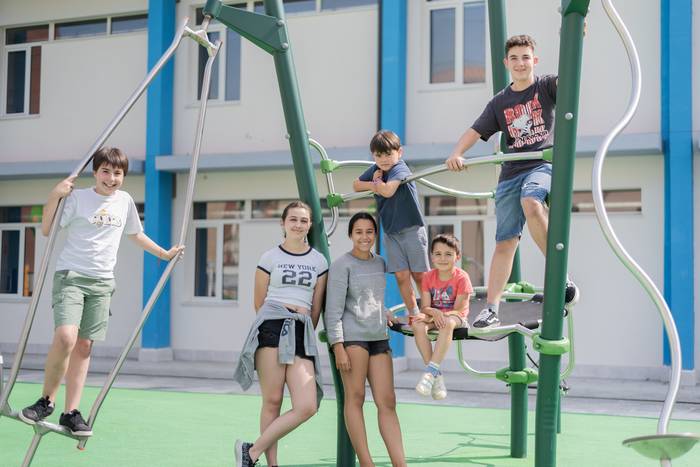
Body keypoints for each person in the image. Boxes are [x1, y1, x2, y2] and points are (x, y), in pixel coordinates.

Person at [19, 147, 184, 436]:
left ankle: (70, 413)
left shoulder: (124, 201)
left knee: (84, 346)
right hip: (71, 276)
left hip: (102, 282)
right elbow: (47, 229)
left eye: (117, 173)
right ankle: (46, 401)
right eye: (105, 171)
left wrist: (164, 254)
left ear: (123, 176)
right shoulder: (78, 198)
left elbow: (135, 234)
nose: (111, 178)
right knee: (66, 337)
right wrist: (54, 196)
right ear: (95, 173)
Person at [446, 34, 578, 329]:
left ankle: (560, 277)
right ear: (506, 63)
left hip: (541, 165)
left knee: (531, 202)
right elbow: (475, 130)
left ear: (535, 60)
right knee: (505, 242)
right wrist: (457, 153)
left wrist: (576, 40)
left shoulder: (546, 86)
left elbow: (571, 78)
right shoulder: (500, 102)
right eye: (514, 58)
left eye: (525, 57)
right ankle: (491, 308)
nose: (520, 63)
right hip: (511, 172)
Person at [233, 201, 328, 467]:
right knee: (273, 400)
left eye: (303, 220)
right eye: (293, 219)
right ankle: (270, 464)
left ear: (310, 225)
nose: (298, 225)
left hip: (301, 331)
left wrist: (303, 327)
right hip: (272, 327)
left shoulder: (318, 261)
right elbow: (259, 302)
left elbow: (316, 307)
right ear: (283, 223)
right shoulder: (270, 257)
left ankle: (251, 451)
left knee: (307, 405)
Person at [325, 212, 407, 467]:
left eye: (369, 231)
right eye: (358, 232)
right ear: (351, 235)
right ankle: (366, 463)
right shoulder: (341, 265)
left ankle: (400, 464)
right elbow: (333, 311)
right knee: (356, 398)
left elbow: (370, 299)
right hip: (353, 340)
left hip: (379, 337)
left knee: (388, 401)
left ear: (375, 234)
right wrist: (338, 347)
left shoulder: (380, 262)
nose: (364, 236)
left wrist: (385, 311)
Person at [353, 129, 429, 321]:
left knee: (420, 275)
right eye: (378, 155)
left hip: (412, 229)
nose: (384, 159)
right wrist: (373, 184)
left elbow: (387, 191)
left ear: (399, 152)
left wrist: (377, 182)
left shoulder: (399, 168)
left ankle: (430, 311)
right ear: (373, 156)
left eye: (388, 154)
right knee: (401, 276)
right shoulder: (376, 169)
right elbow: (356, 184)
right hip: (391, 233)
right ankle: (414, 313)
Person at [412, 234, 472, 399]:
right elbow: (425, 307)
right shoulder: (428, 277)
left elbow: (459, 309)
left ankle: (430, 373)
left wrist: (438, 315)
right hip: (435, 316)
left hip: (456, 317)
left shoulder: (462, 278)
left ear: (457, 256)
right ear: (432, 257)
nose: (442, 258)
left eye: (448, 254)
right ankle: (436, 376)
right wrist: (433, 314)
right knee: (417, 324)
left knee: (447, 323)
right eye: (438, 254)